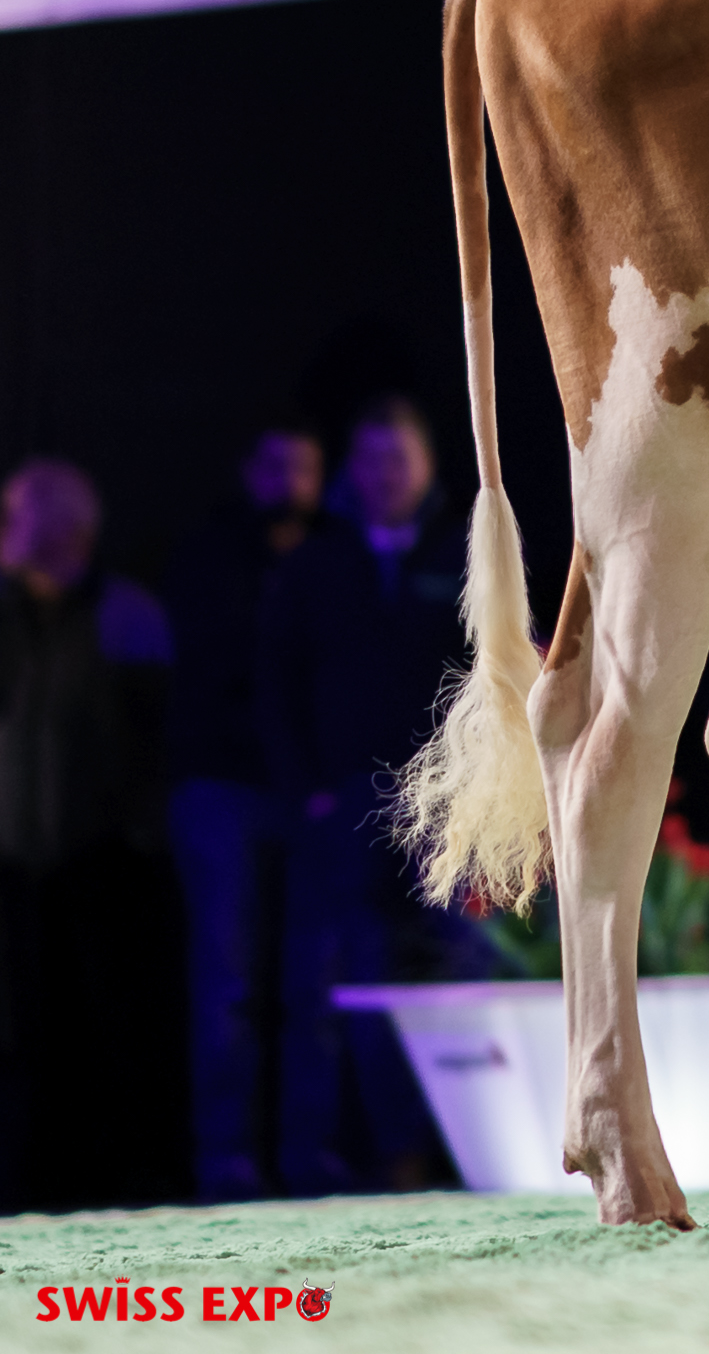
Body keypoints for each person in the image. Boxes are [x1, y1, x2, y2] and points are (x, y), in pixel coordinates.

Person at [257, 398, 470, 1193]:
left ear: (427, 465)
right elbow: (275, 681)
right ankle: (338, 1156)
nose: (385, 474)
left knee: (450, 973)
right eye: (371, 458)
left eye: (398, 457)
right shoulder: (317, 562)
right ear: (353, 469)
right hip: (345, 802)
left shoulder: (466, 549)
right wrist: (307, 789)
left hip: (444, 803)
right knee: (343, 980)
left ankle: (452, 1150)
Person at [0, 457, 185, 1211]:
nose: (6, 528)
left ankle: (119, 1182)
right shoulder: (4, 615)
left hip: (105, 863)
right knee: (23, 1033)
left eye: (16, 514)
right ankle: (29, 1184)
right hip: (15, 864)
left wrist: (136, 831)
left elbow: (155, 738)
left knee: (109, 1028)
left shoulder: (126, 614)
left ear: (63, 528)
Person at [163, 420, 323, 1199]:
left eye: (305, 468)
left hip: (305, 793)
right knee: (227, 984)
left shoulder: (332, 558)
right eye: (276, 466)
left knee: (309, 983)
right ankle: (225, 1156)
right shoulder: (206, 556)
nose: (290, 482)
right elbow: (214, 665)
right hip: (221, 787)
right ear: (248, 472)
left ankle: (306, 1153)